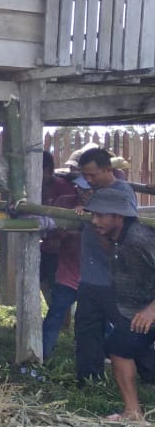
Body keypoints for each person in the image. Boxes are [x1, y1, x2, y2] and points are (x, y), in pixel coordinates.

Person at [85, 188, 155, 422]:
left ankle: (133, 412)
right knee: (121, 346)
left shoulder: (139, 239)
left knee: (120, 346)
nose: (94, 221)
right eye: (93, 215)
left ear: (119, 217)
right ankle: (133, 412)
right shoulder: (119, 236)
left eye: (101, 216)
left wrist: (151, 309)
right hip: (137, 309)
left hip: (149, 308)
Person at [75, 147, 140, 385]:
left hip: (115, 278)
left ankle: (147, 376)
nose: (88, 180)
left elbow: (124, 236)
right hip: (90, 276)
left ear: (108, 170)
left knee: (131, 331)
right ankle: (89, 379)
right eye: (86, 176)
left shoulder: (121, 192)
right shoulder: (94, 193)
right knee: (86, 329)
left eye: (93, 175)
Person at [41, 152, 82, 360]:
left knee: (98, 323)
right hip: (67, 272)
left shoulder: (103, 207)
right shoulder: (65, 202)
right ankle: (40, 358)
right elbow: (52, 229)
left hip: (93, 277)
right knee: (54, 317)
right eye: (81, 186)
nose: (84, 191)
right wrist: (62, 230)